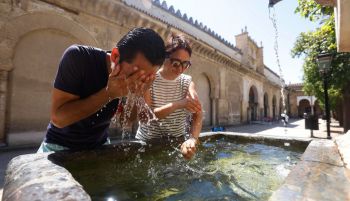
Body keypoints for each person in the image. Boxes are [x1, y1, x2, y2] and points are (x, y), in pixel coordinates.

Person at [37, 27, 166, 152]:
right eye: (135, 75)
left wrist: (139, 93)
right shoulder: (79, 58)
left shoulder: (130, 75)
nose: (138, 81)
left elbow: (125, 121)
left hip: (100, 146)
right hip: (59, 146)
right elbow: (58, 119)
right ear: (116, 56)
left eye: (146, 77)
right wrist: (108, 94)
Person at [135, 34, 203, 160]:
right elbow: (145, 117)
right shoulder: (150, 79)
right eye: (176, 63)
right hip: (147, 144)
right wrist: (179, 104)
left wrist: (192, 139)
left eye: (185, 64)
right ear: (164, 57)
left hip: (177, 143)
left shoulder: (187, 82)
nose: (181, 69)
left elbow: (198, 114)